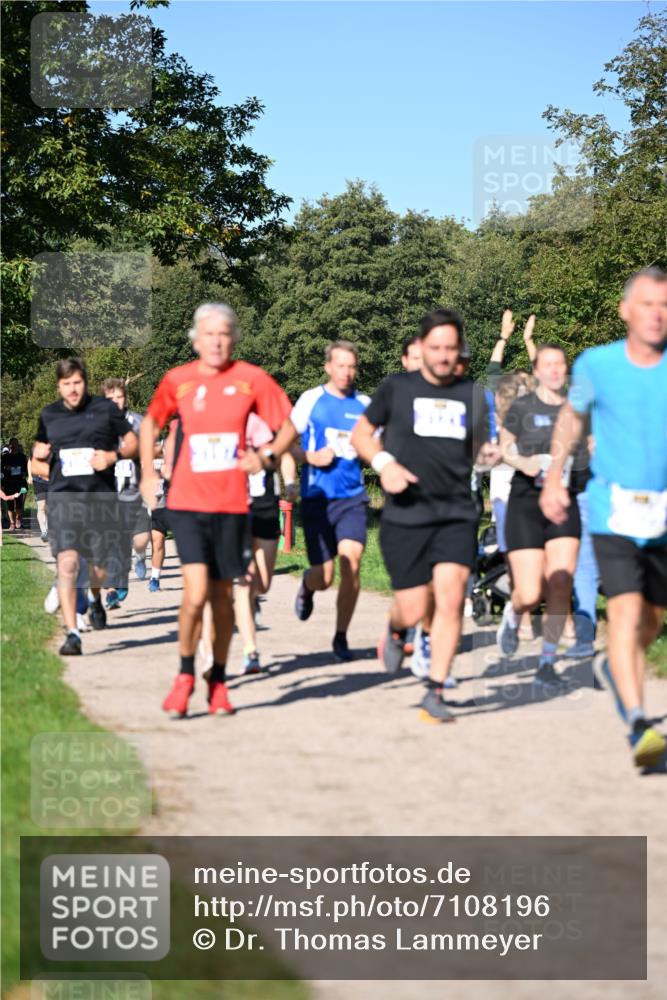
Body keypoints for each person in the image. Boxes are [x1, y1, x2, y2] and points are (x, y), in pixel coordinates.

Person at [540, 267, 667, 769]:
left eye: (664, 306)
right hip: (613, 511)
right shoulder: (599, 363)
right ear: (625, 311)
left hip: (664, 515)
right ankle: (638, 722)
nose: (657, 315)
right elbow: (572, 418)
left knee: (652, 619)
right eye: (647, 304)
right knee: (627, 610)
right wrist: (554, 477)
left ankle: (617, 667)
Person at [139, 302, 292, 717]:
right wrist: (148, 476)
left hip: (231, 505)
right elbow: (152, 422)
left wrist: (266, 457)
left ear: (234, 338)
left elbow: (289, 425)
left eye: (225, 333)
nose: (217, 341)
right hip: (187, 503)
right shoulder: (179, 380)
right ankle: (186, 673)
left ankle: (219, 679)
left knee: (224, 598)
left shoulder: (251, 379)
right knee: (195, 593)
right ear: (196, 339)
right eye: (209, 334)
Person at [351, 309, 498, 722]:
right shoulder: (397, 388)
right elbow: (361, 434)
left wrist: (487, 454)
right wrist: (385, 465)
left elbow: (479, 447)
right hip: (407, 512)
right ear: (422, 348)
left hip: (455, 512)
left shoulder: (472, 393)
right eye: (436, 347)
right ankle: (398, 628)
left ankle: (435, 691)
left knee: (450, 600)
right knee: (415, 607)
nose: (444, 355)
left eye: (451, 348)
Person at [269, 341, 371, 663]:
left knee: (351, 564)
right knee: (325, 576)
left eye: (352, 366)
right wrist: (309, 456)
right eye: (340, 365)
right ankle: (308, 585)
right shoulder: (311, 400)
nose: (346, 372)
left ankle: (341, 637)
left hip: (352, 496)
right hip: (318, 498)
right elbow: (286, 442)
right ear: (328, 367)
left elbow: (376, 445)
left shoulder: (365, 404)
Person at [496, 341, 589, 687]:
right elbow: (505, 448)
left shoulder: (577, 410)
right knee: (530, 592)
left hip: (564, 502)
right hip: (526, 503)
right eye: (546, 364)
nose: (553, 369)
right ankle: (514, 611)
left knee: (561, 580)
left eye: (559, 364)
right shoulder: (522, 406)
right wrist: (528, 463)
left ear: (565, 371)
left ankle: (547, 662)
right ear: (536, 371)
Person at [32, 358, 138, 655]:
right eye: (66, 384)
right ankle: (73, 634)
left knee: (99, 571)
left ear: (85, 382)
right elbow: (38, 458)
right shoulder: (49, 415)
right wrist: (40, 455)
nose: (72, 389)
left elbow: (133, 443)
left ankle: (93, 599)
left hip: (101, 501)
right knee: (67, 564)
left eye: (77, 382)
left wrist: (112, 456)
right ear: (58, 386)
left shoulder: (105, 410)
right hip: (64, 501)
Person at [233, 412, 298, 674]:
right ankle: (251, 651)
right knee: (245, 581)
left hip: (266, 507)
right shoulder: (227, 420)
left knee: (263, 582)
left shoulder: (268, 424)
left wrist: (291, 483)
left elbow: (287, 455)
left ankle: (254, 598)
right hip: (236, 507)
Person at [101, 378, 151, 608]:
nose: (115, 402)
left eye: (119, 397)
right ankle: (112, 589)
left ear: (125, 398)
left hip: (134, 493)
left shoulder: (137, 422)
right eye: (110, 398)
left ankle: (139, 555)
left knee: (139, 541)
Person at [1, 438, 29, 530]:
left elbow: (26, 469)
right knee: (10, 504)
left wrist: (24, 473)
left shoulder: (22, 457)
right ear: (10, 446)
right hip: (9, 482)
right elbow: (1, 470)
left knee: (19, 504)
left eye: (15, 444)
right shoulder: (5, 457)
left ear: (17, 445)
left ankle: (17, 519)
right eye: (12, 444)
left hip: (20, 482)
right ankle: (12, 523)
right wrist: (6, 469)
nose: (14, 446)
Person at [28, 456, 50, 542]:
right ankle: (43, 531)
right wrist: (30, 476)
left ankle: (48, 530)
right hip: (39, 481)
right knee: (41, 506)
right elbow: (30, 461)